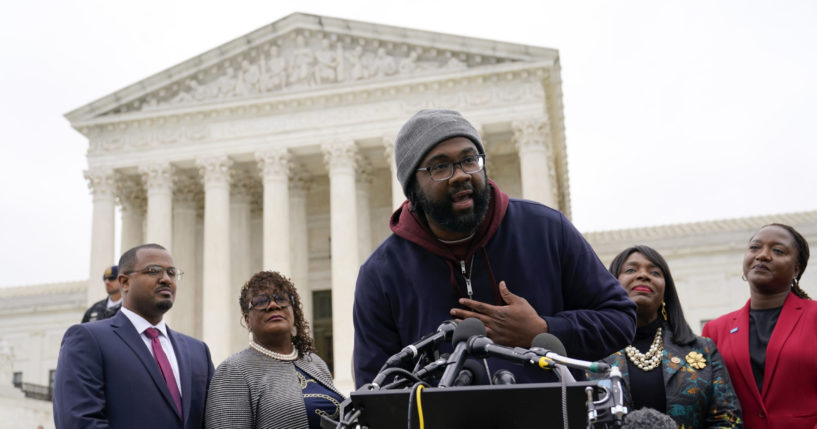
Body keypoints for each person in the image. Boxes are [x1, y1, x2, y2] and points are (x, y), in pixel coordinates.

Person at [353, 109, 637, 387]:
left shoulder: (546, 229)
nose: (461, 175)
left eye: (469, 159)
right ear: (413, 187)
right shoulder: (381, 274)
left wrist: (543, 330)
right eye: (440, 166)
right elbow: (375, 389)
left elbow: (620, 319)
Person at [53, 243, 215, 429]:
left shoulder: (197, 351)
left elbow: (214, 420)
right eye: (153, 271)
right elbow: (79, 422)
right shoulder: (89, 339)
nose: (166, 279)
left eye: (171, 273)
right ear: (124, 282)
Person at [589, 245, 741, 428]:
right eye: (631, 270)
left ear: (665, 291)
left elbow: (728, 419)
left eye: (654, 272)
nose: (643, 275)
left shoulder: (703, 349)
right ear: (612, 284)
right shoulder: (591, 350)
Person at [703, 224, 816, 429]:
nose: (763, 255)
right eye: (755, 248)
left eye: (778, 250)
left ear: (796, 268)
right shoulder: (715, 330)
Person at [205, 271, 343, 429]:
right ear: (247, 320)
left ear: (294, 311)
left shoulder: (314, 362)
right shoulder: (234, 371)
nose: (273, 305)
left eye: (282, 299)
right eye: (261, 301)